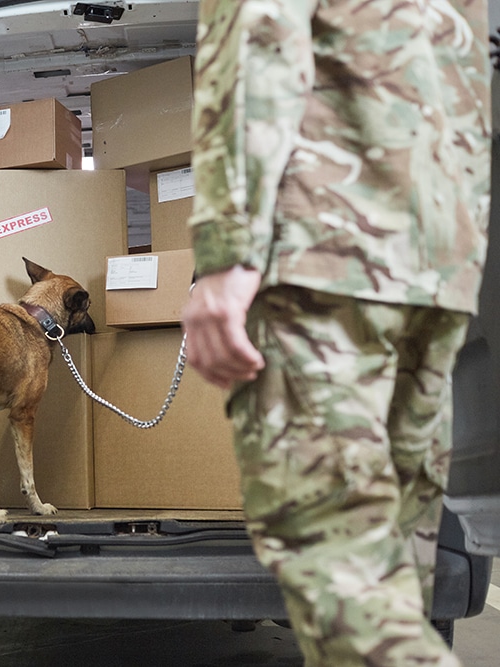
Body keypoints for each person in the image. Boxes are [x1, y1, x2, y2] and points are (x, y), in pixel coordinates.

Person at [180, 0, 492, 665]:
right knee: (393, 570)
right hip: (439, 262)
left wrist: (227, 249)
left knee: (339, 565)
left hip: (327, 251)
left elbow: (259, 30)